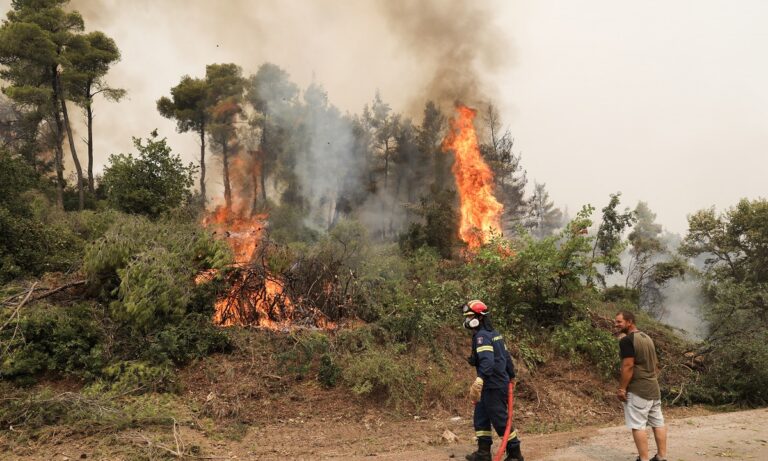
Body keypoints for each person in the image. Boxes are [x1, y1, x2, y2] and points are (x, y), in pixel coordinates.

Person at [462, 300, 524, 461]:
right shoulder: (494, 334)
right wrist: (512, 375)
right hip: (493, 384)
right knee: (481, 417)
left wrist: (480, 379)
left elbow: (488, 362)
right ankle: (483, 453)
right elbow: (506, 357)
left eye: (470, 316)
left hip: (493, 385)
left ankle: (515, 453)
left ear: (479, 317)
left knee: (500, 420)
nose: (467, 320)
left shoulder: (482, 336)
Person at [614, 310, 668, 461]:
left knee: (638, 425)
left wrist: (622, 388)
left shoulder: (626, 340)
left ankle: (643, 459)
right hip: (653, 387)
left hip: (638, 390)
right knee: (658, 422)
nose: (616, 324)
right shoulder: (647, 337)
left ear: (629, 321)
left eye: (619, 321)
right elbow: (656, 364)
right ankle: (661, 457)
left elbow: (628, 366)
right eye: (616, 321)